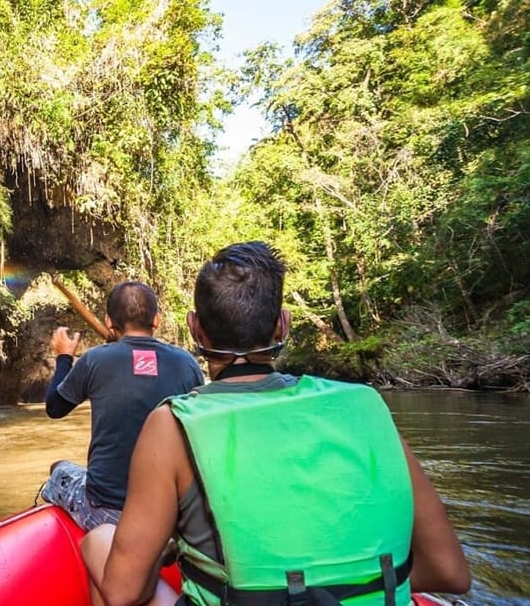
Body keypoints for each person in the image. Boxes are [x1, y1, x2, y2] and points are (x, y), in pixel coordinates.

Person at [81, 242, 472, 606]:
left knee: (98, 540)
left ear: (195, 329)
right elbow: (449, 572)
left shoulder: (172, 424)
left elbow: (123, 592)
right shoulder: (367, 405)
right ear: (282, 325)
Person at [41, 281, 204, 531]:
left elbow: (54, 408)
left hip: (108, 509)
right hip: (171, 511)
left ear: (108, 321)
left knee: (59, 469)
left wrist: (64, 356)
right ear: (157, 319)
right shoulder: (187, 363)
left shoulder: (95, 359)